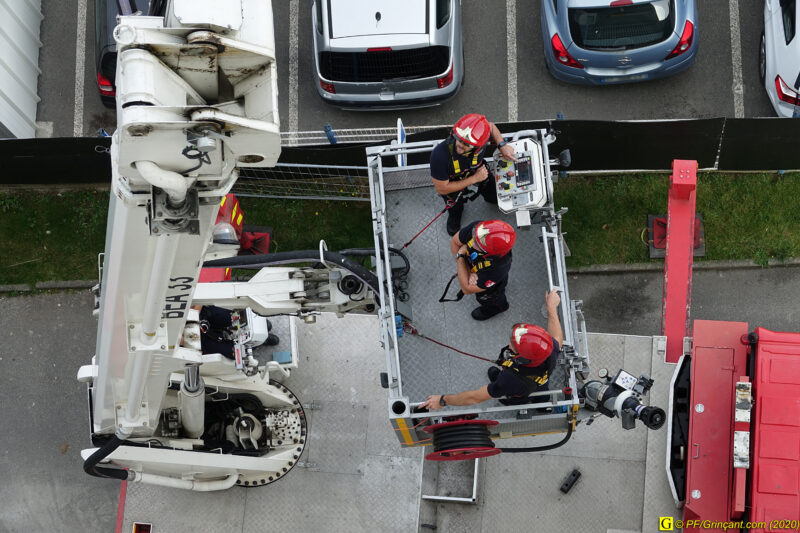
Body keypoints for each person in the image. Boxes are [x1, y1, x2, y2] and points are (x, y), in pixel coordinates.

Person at [420, 290, 563, 410]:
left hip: (519, 389)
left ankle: (518, 402)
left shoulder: (509, 380)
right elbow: (557, 337)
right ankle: (542, 404)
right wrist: (551, 308)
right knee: (541, 393)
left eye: (513, 345)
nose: (510, 343)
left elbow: (474, 397)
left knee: (514, 397)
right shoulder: (549, 350)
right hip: (540, 382)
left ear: (522, 359)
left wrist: (443, 400)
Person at [430, 114, 517, 236]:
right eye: (459, 140)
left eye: (467, 145)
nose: (460, 147)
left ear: (479, 145)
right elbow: (442, 188)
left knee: (492, 191)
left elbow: (491, 127)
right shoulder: (439, 156)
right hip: (455, 182)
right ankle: (455, 216)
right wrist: (474, 178)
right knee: (454, 205)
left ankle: (492, 198)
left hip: (478, 171)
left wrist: (502, 145)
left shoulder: (481, 136)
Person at [451, 219, 515, 320]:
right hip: (475, 269)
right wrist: (468, 272)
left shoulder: (497, 269)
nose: (472, 243)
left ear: (491, 254)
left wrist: (460, 257)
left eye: (478, 245)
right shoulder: (479, 230)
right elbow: (454, 242)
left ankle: (498, 307)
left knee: (490, 298)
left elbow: (466, 289)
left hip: (490, 284)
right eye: (475, 239)